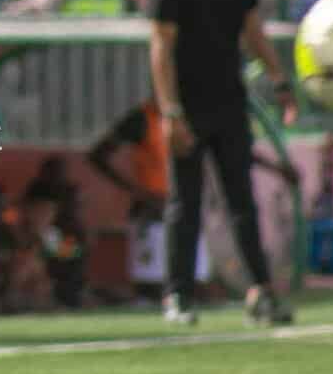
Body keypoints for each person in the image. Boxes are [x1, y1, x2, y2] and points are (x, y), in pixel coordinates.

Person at [150, 0, 299, 327]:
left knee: (242, 201)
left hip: (230, 101)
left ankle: (262, 292)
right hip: (188, 104)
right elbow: (160, 46)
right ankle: (177, 295)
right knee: (186, 203)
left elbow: (253, 31)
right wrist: (170, 111)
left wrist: (279, 82)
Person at [89, 93, 298, 298]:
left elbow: (232, 150)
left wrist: (276, 168)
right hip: (152, 214)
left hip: (188, 212)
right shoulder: (143, 118)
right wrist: (138, 192)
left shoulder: (195, 116)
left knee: (197, 286)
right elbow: (98, 155)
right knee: (152, 288)